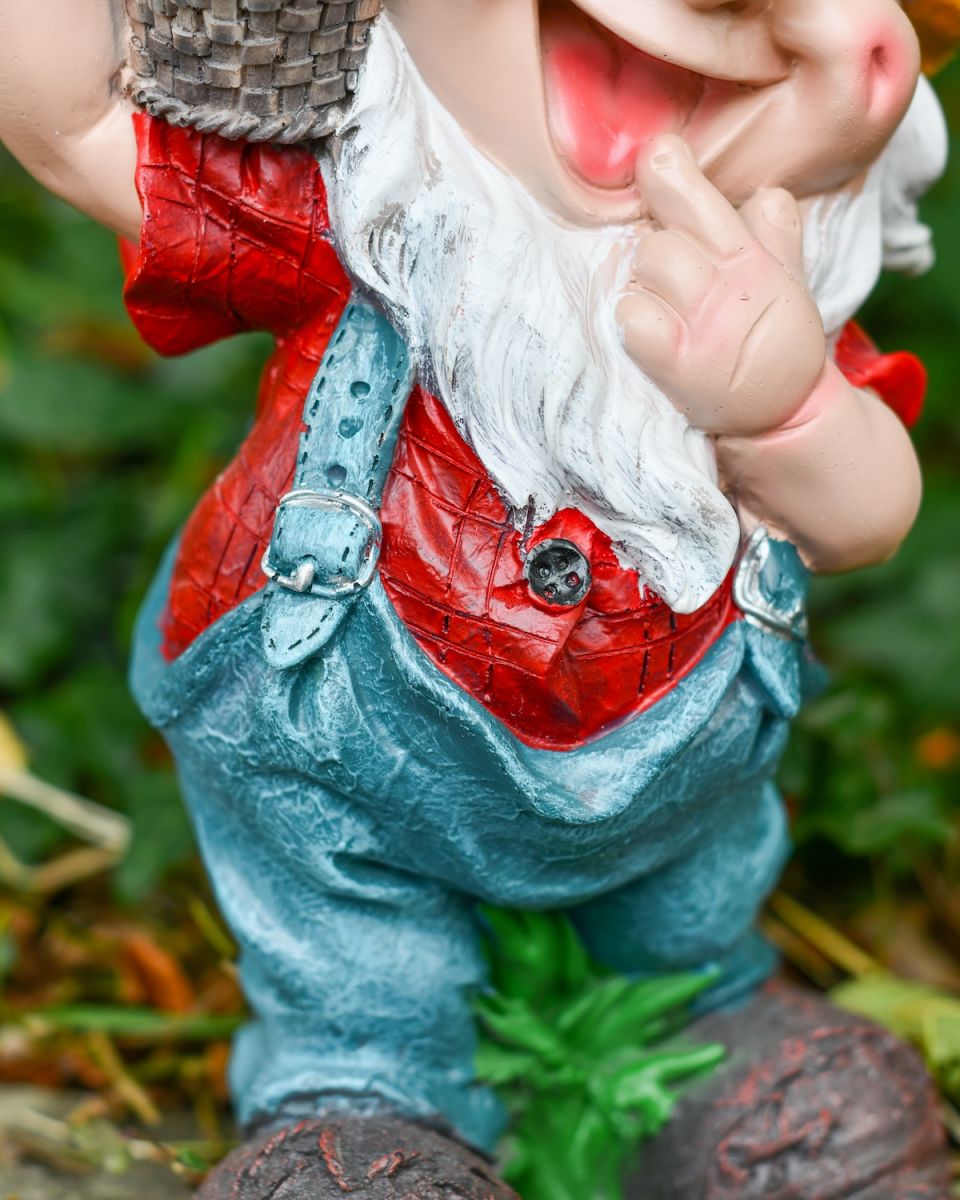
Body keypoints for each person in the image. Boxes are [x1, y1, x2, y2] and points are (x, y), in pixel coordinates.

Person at [0, 0, 952, 1194]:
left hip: (671, 802)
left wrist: (789, 408)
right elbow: (73, 120)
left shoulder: (778, 292)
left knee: (688, 916)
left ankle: (705, 1038)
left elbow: (867, 516)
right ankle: (364, 1098)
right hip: (340, 777)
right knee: (359, 973)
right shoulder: (354, 213)